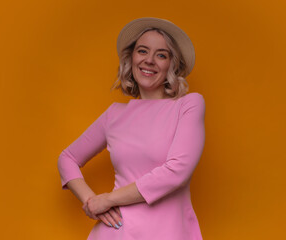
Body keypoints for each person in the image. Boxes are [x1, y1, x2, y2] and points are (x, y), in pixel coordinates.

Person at [57, 17, 205, 240]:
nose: (150, 61)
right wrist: (91, 200)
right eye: (142, 51)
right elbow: (67, 158)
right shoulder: (114, 115)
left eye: (161, 55)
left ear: (172, 65)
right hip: (118, 233)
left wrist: (108, 200)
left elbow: (177, 171)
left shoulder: (188, 105)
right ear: (132, 58)